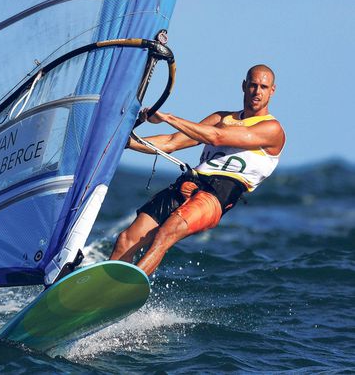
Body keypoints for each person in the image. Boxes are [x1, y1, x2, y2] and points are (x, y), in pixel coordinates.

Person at [110, 64, 286, 275]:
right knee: (126, 239)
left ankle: (125, 290)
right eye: (253, 85)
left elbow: (216, 137)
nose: (257, 92)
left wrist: (167, 117)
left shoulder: (271, 129)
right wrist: (124, 143)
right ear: (244, 86)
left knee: (167, 232)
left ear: (272, 90)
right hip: (190, 182)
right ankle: (99, 289)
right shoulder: (221, 118)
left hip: (219, 193)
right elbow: (171, 142)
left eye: (263, 87)